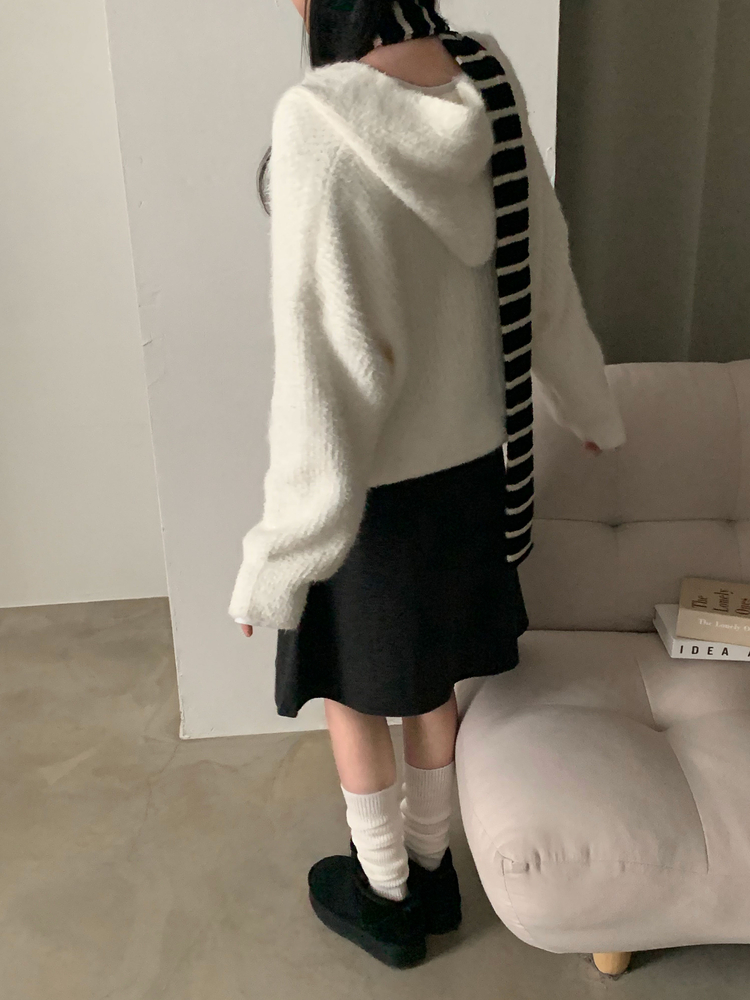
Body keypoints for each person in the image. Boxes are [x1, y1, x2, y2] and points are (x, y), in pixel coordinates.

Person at [229, 0, 626, 969]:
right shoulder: (485, 75)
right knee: (430, 680)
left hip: (368, 494)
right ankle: (432, 863)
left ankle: (386, 895)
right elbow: (542, 266)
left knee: (353, 692)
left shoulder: (318, 116)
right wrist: (588, 403)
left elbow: (325, 375)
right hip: (471, 474)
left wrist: (278, 559)